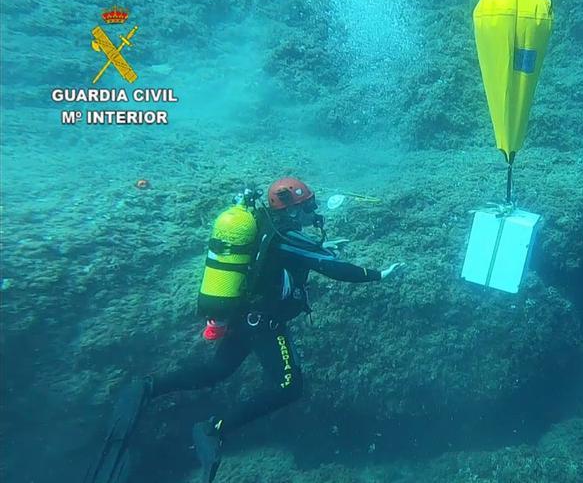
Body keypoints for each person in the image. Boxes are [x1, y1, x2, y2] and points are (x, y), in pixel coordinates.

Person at [84, 177, 403, 483]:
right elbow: (332, 267)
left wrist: (325, 245)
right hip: (263, 322)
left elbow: (285, 257)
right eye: (308, 206)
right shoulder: (289, 237)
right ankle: (214, 428)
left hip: (242, 316)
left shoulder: (266, 227)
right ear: (292, 209)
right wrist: (379, 274)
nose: (313, 212)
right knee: (289, 386)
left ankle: (149, 387)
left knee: (217, 370)